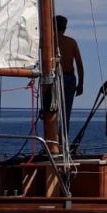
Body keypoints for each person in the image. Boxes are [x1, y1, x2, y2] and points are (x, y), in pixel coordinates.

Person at [42, 15, 85, 149]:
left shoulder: (48, 42)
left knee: (49, 111)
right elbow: (79, 65)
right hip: (68, 79)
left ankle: (51, 143)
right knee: (66, 113)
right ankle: (62, 143)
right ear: (65, 28)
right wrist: (81, 84)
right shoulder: (72, 42)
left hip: (52, 80)